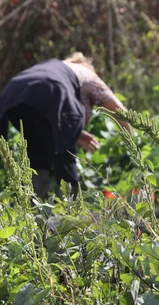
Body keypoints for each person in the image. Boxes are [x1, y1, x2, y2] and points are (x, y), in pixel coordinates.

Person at [0, 53, 131, 199]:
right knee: (66, 153)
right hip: (52, 89)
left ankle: (33, 208)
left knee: (37, 148)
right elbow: (117, 108)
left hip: (11, 93)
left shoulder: (53, 66)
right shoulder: (88, 74)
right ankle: (71, 208)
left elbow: (48, 119)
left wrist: (77, 134)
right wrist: (132, 144)